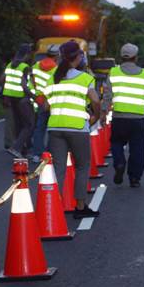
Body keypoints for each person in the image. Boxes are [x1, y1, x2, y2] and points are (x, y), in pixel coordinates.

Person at [45, 40, 102, 218]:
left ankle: (54, 209)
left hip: (55, 127)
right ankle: (80, 207)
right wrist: (96, 116)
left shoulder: (52, 76)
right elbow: (96, 101)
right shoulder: (84, 78)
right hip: (77, 128)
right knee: (82, 166)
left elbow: (46, 106)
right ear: (78, 56)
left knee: (58, 169)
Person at [104, 43, 144, 187]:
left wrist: (103, 113)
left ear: (122, 57)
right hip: (137, 120)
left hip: (119, 118)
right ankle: (135, 179)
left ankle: (120, 163)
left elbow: (107, 96)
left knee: (116, 143)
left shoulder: (114, 72)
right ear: (136, 57)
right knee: (137, 150)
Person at [1, 43, 35, 158]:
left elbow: (2, 79)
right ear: (27, 54)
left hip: (11, 99)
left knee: (19, 124)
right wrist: (33, 96)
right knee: (29, 124)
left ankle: (23, 150)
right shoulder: (24, 67)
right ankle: (16, 148)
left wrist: (6, 92)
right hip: (22, 98)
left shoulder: (10, 65)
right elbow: (24, 85)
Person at [29, 44, 60, 162]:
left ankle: (37, 154)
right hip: (51, 102)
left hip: (39, 101)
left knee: (39, 128)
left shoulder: (36, 66)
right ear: (57, 56)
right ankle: (49, 153)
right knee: (53, 129)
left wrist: (36, 96)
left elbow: (31, 82)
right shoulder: (57, 69)